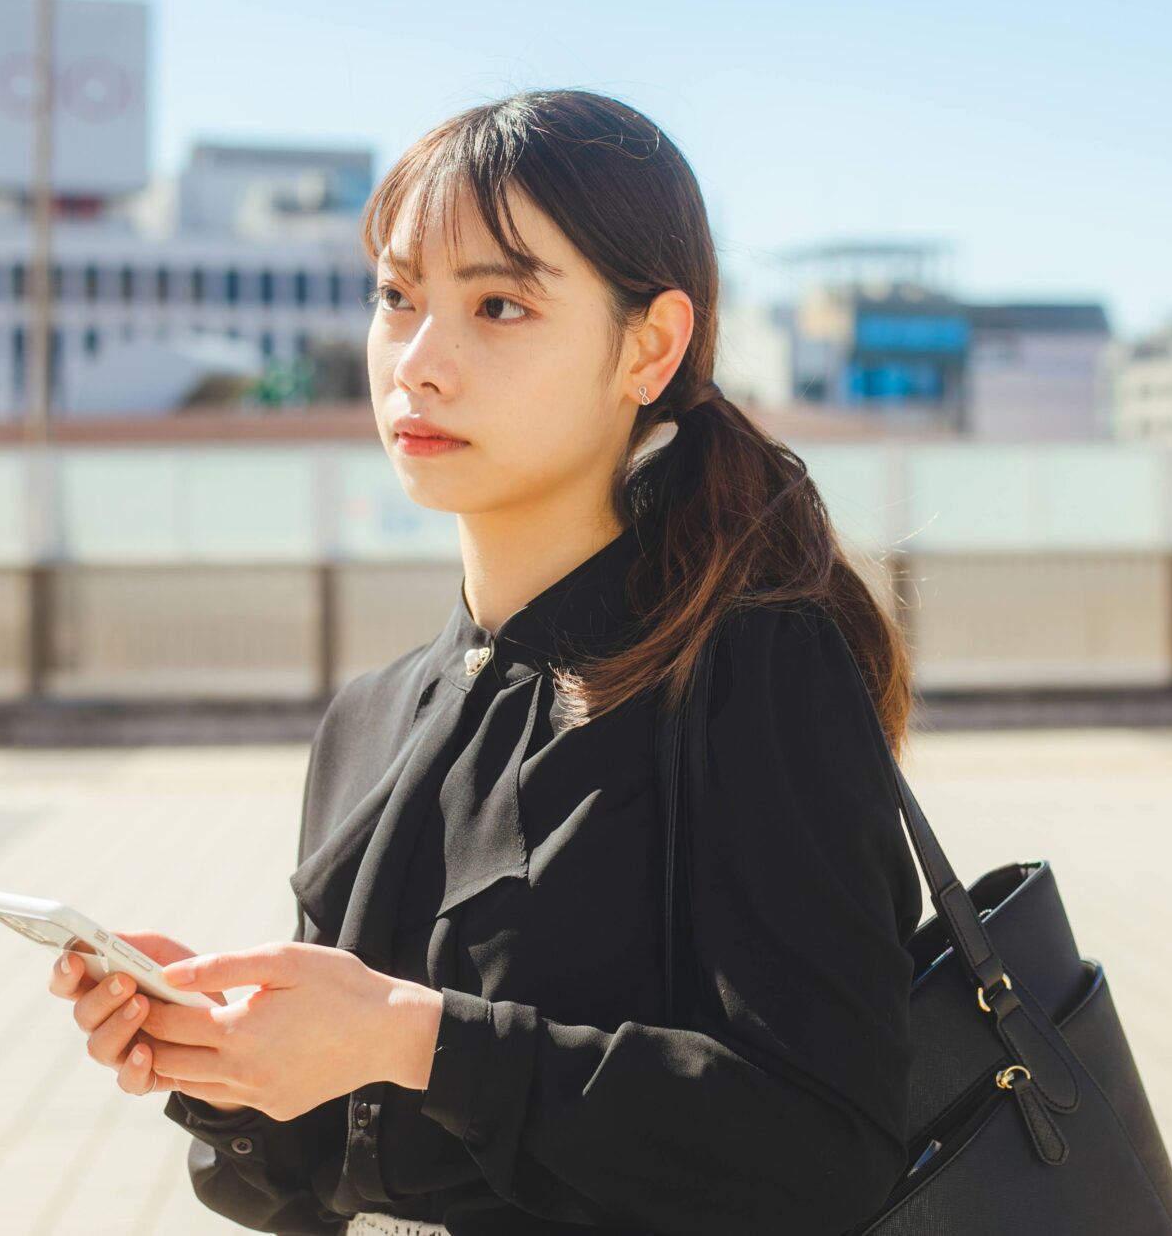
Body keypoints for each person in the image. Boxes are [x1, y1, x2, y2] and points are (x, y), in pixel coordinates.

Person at [45, 88, 924, 1236]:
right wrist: (226, 1069)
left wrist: (413, 1038)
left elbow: (823, 1152)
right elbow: (304, 1190)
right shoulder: (371, 715)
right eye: (396, 298)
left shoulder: (748, 667)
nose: (418, 361)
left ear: (648, 346)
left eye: (499, 305)